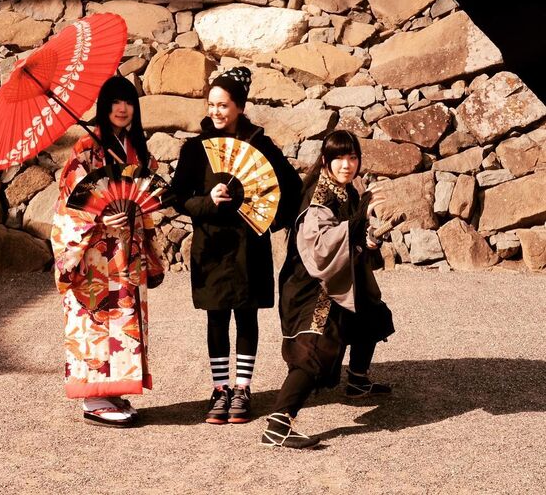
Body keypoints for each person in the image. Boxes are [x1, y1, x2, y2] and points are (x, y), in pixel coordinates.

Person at [172, 66, 302, 424]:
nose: (216, 111)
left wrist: (269, 218)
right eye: (211, 104)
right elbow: (178, 197)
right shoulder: (196, 149)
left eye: (223, 105)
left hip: (249, 246)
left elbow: (291, 188)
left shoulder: (260, 145)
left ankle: (243, 389)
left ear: (240, 107)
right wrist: (207, 201)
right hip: (211, 247)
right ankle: (220, 389)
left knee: (246, 315)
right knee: (216, 316)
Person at [261, 130, 395, 448]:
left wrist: (370, 238)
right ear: (325, 160)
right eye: (339, 158)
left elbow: (352, 238)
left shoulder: (346, 190)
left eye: (352, 157)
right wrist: (360, 220)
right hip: (312, 285)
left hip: (338, 276)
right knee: (314, 352)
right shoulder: (319, 199)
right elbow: (321, 248)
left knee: (370, 313)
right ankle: (278, 424)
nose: (346, 165)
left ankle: (358, 381)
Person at [51, 76, 164, 427]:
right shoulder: (86, 150)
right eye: (115, 101)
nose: (122, 108)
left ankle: (111, 390)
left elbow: (146, 195)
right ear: (104, 106)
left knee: (124, 321)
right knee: (96, 319)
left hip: (125, 253)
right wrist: (100, 220)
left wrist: (135, 213)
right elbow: (71, 206)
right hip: (94, 256)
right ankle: (93, 398)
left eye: (128, 101)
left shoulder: (135, 149)